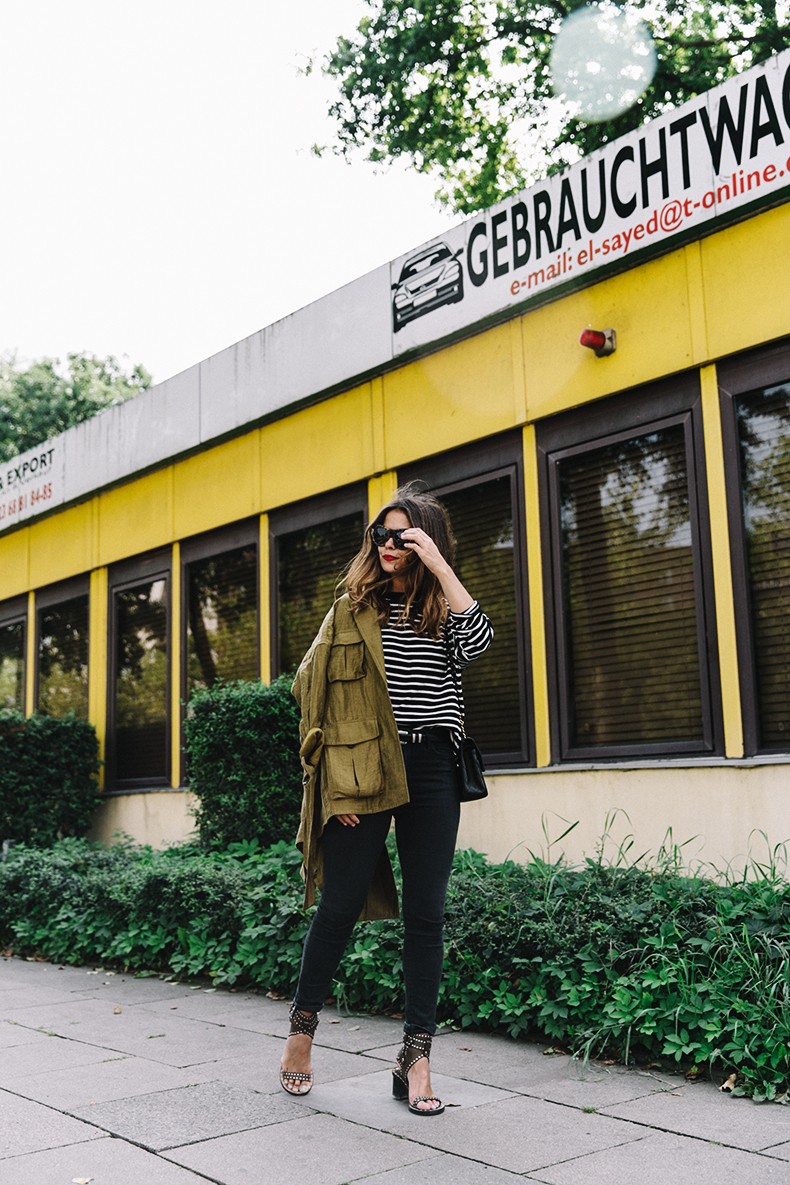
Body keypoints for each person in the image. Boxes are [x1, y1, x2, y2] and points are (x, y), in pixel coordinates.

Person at [279, 482, 493, 1115]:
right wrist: (335, 781)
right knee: (340, 904)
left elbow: (478, 643)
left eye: (403, 536)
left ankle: (416, 1058)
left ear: (425, 540)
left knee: (427, 913)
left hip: (433, 767)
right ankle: (300, 1034)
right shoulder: (351, 608)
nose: (389, 546)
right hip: (365, 771)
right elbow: (310, 692)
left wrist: (440, 565)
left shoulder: (443, 607)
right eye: (382, 535)